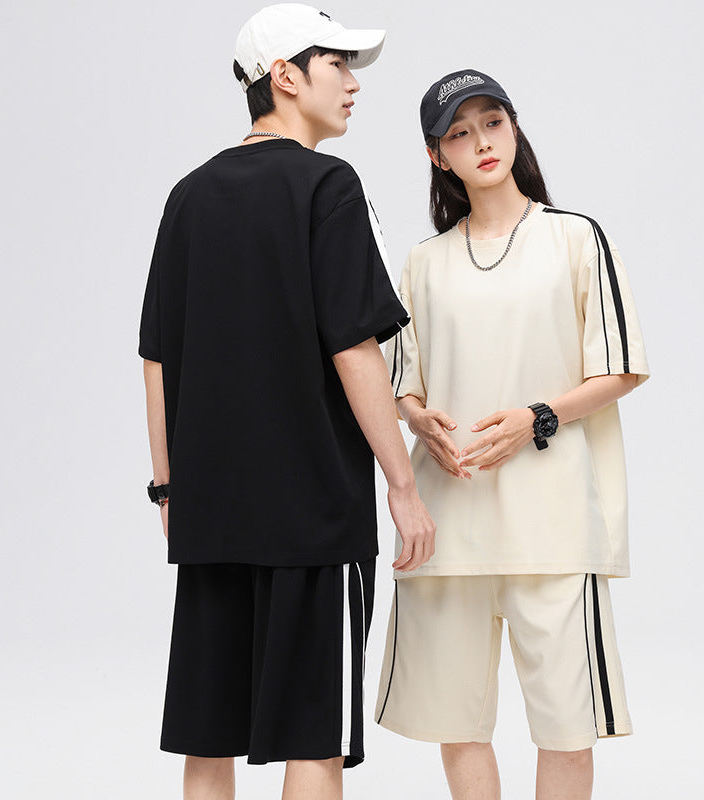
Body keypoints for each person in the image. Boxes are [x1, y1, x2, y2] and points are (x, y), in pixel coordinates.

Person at [138, 5, 435, 799]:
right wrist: (402, 485)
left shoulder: (188, 195)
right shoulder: (327, 184)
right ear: (286, 76)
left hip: (210, 515)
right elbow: (353, 347)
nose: (353, 84)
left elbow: (156, 355)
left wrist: (167, 488)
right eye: (338, 64)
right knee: (313, 737)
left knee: (209, 741)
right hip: (314, 516)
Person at [374, 69, 650, 800]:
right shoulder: (423, 262)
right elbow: (403, 383)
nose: (482, 142)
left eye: (492, 123)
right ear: (438, 155)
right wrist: (415, 415)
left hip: (552, 527)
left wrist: (538, 416)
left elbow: (620, 367)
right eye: (459, 133)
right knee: (458, 723)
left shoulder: (574, 238)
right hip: (448, 524)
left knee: (567, 728)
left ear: (514, 127)